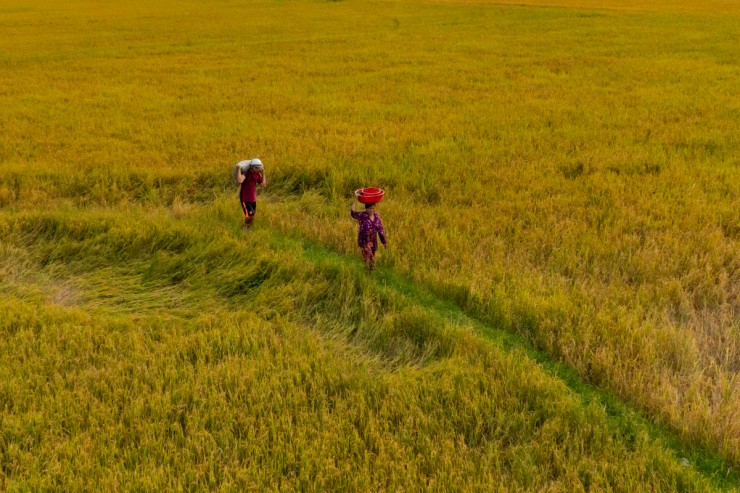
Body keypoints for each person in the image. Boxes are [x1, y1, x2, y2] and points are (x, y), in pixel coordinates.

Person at [351, 197, 387, 270]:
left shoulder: (376, 216)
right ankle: (371, 270)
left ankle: (367, 273)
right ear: (366, 209)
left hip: (373, 241)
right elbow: (353, 213)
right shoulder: (363, 215)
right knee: (370, 258)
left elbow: (380, 229)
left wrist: (384, 242)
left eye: (373, 208)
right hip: (364, 241)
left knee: (368, 259)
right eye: (370, 209)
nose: (372, 210)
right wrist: (355, 200)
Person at [236, 159, 267, 228]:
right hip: (245, 198)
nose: (258, 169)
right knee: (250, 214)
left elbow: (264, 185)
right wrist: (238, 169)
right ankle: (245, 229)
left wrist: (263, 174)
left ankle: (247, 229)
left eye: (259, 168)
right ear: (251, 167)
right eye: (256, 168)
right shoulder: (246, 173)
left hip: (253, 199)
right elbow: (240, 180)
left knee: (252, 216)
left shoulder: (257, 175)